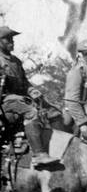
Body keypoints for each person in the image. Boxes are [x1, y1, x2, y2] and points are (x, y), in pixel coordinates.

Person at [0, 26, 55, 168]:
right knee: (32, 112)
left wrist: (33, 91)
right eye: (7, 39)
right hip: (5, 102)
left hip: (18, 100)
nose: (12, 42)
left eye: (12, 39)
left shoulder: (16, 61)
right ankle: (39, 155)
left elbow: (24, 83)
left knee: (52, 111)